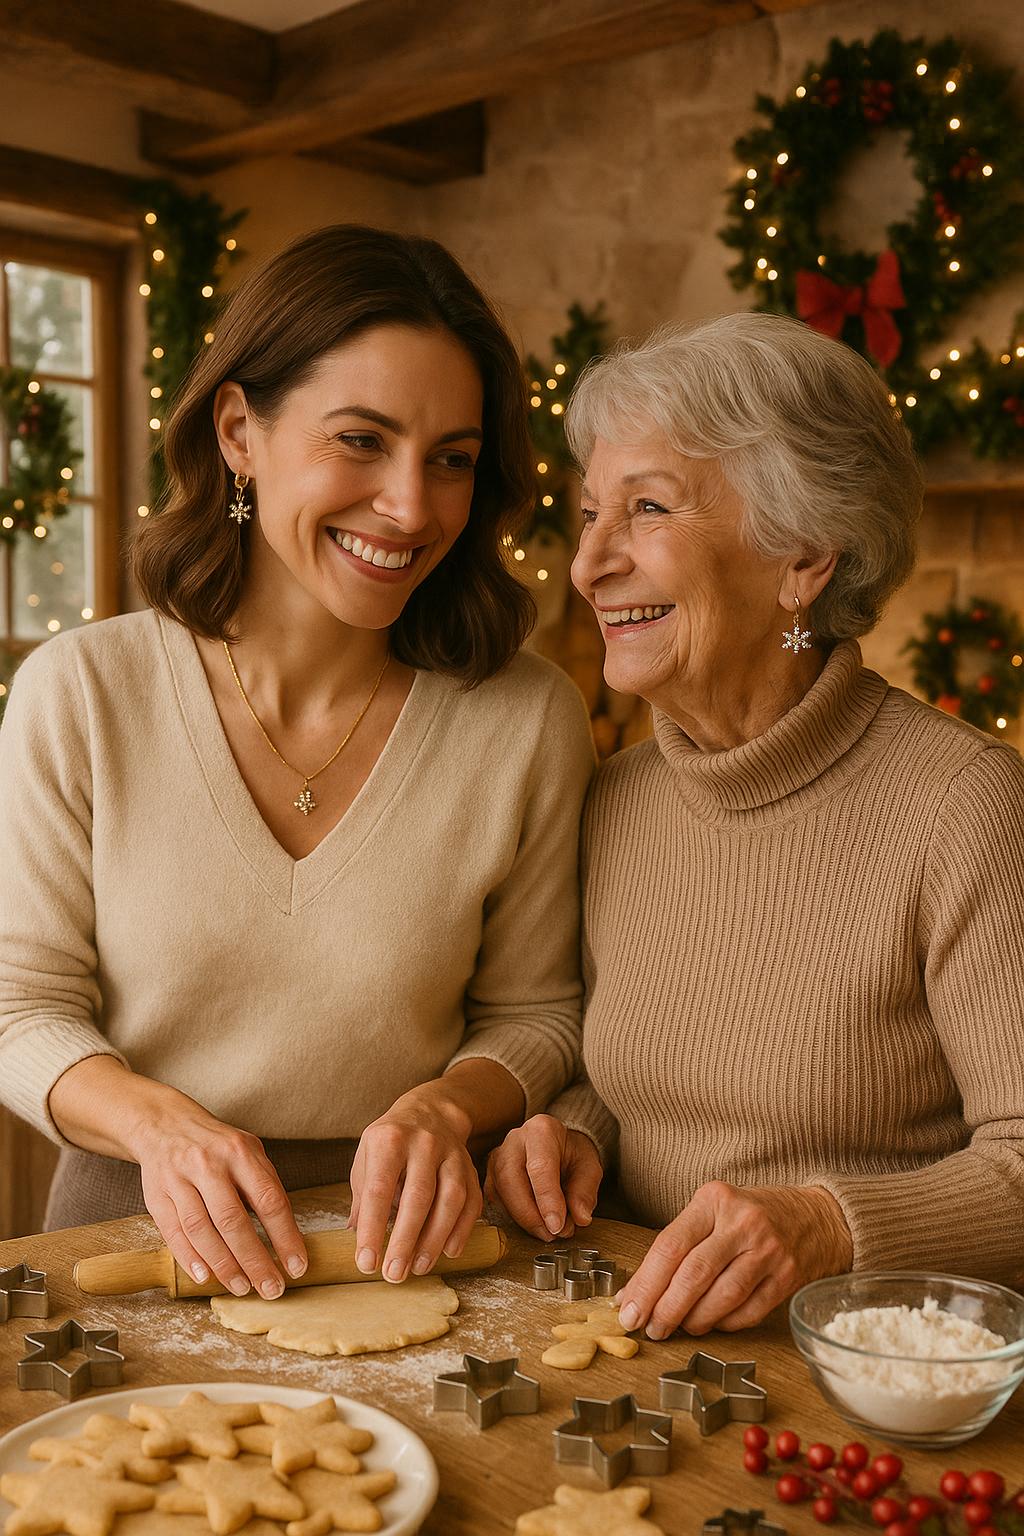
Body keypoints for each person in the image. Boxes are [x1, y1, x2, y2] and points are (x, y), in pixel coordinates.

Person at [0, 225, 594, 1300]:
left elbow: (536, 1013)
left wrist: (446, 1108)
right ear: (239, 431)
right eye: (360, 441)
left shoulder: (526, 720)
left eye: (451, 459)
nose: (411, 507)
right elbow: (17, 1005)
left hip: (418, 1250)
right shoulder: (81, 693)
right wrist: (161, 1127)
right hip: (131, 1235)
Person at [487, 311, 1024, 1336]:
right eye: (589, 512)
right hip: (641, 1348)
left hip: (864, 1383)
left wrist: (827, 1226)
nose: (587, 562)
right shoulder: (616, 799)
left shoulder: (963, 804)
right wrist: (570, 1132)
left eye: (645, 510)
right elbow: (635, 1079)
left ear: (803, 555)